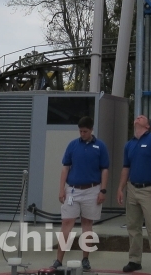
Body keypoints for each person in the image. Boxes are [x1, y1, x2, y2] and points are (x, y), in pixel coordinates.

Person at [55, 115, 109, 273]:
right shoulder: (73, 145)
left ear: (91, 130)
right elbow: (65, 167)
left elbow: (104, 169)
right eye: (80, 131)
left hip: (92, 189)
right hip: (72, 190)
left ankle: (85, 258)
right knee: (67, 223)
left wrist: (103, 190)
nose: (82, 134)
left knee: (87, 224)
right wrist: (61, 189)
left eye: (85, 131)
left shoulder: (100, 146)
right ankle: (59, 259)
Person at [117, 115, 151, 275]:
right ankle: (134, 260)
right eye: (137, 117)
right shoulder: (129, 144)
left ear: (147, 126)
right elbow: (126, 168)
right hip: (132, 189)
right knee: (133, 227)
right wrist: (121, 187)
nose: (138, 117)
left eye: (142, 117)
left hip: (149, 189)